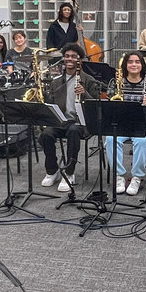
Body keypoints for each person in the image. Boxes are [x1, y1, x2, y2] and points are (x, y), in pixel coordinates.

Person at [40, 43, 100, 191]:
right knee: (46, 134)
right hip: (61, 121)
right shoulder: (56, 82)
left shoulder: (89, 80)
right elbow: (50, 104)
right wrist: (40, 93)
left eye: (74, 56)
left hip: (81, 123)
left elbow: (97, 105)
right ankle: (52, 170)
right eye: (67, 56)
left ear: (80, 60)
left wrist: (84, 93)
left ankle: (69, 172)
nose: (70, 59)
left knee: (73, 131)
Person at [105, 51, 146, 196]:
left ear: (142, 65)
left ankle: (137, 176)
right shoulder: (115, 82)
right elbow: (109, 104)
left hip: (143, 122)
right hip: (121, 122)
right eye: (130, 62)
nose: (134, 65)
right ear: (125, 65)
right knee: (110, 139)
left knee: (142, 141)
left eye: (137, 62)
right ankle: (119, 176)